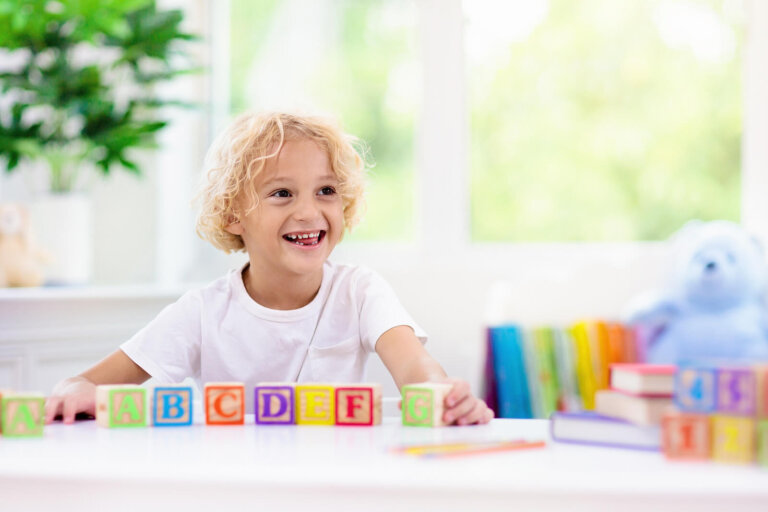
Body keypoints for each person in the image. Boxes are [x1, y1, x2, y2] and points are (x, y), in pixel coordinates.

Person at [45, 112, 493, 426]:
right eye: (282, 193)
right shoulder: (203, 312)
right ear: (232, 216)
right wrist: (75, 390)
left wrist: (445, 397)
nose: (308, 212)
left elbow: (417, 370)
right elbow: (84, 382)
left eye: (326, 191)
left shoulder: (360, 293)